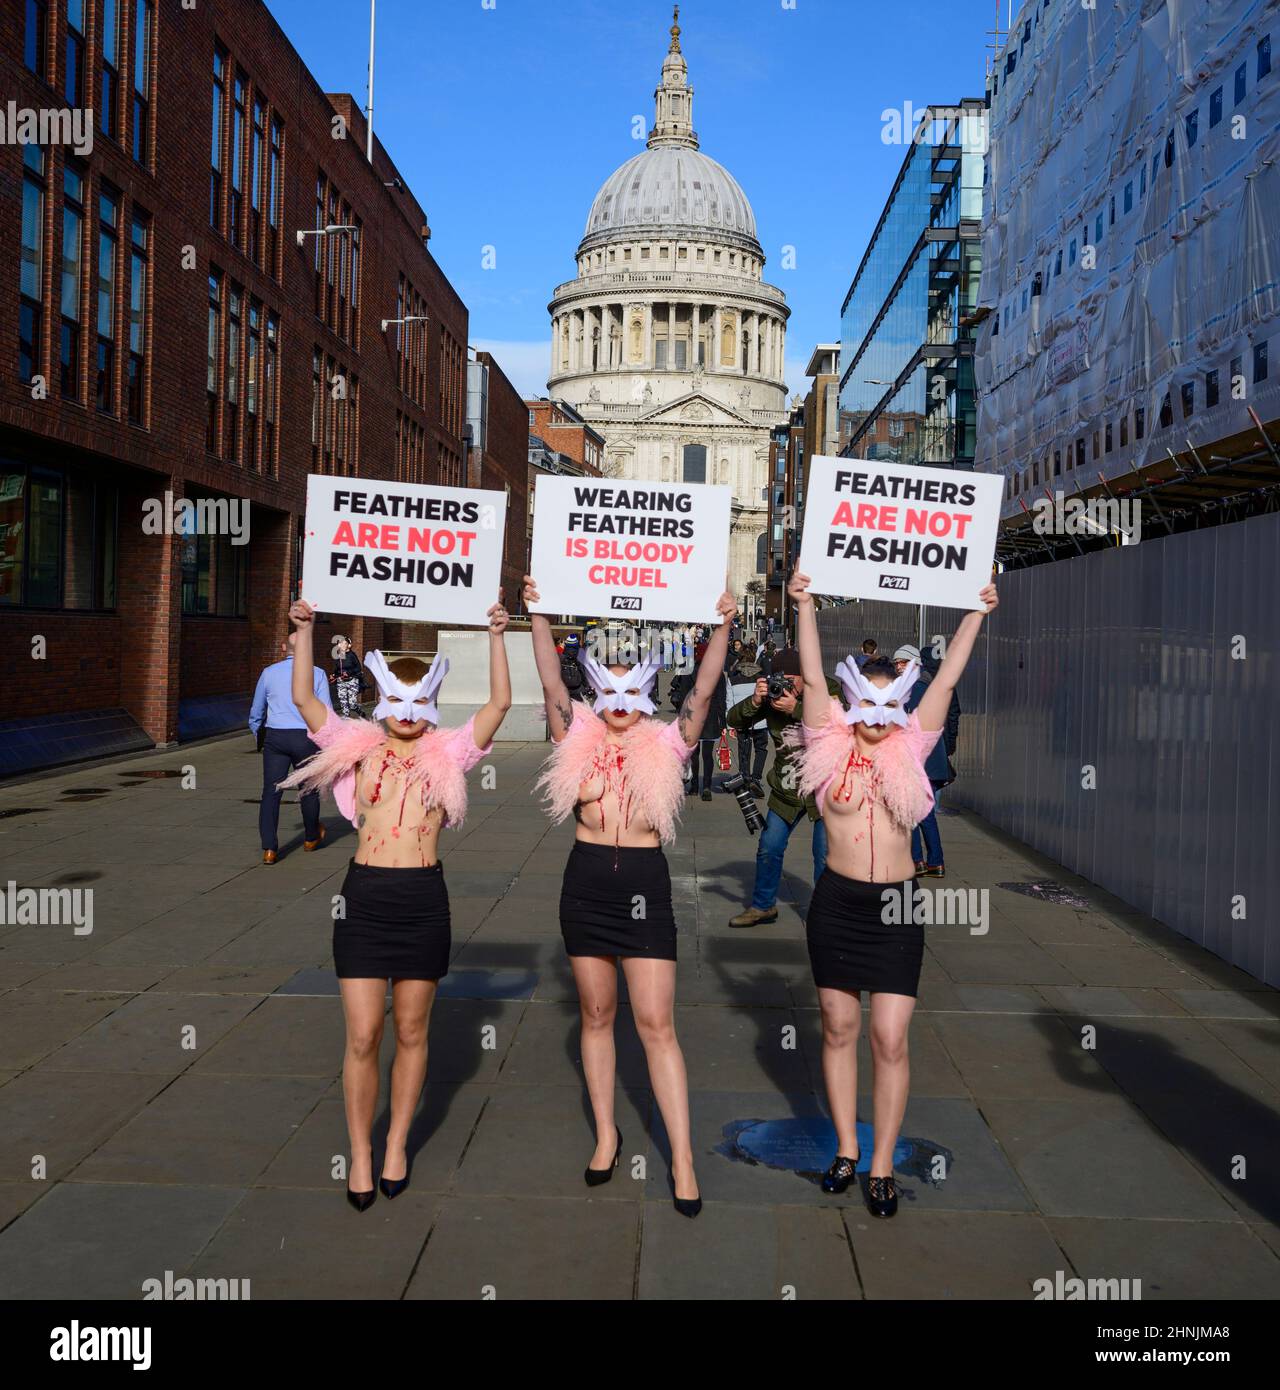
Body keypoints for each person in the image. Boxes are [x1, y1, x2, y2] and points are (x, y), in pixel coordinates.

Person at [278, 593, 511, 1212]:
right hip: (365, 898)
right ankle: (360, 1151)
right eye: (397, 701)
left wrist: (495, 635)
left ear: (430, 704)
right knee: (363, 1033)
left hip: (422, 899)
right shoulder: (359, 748)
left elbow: (499, 706)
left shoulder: (449, 755)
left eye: (419, 702)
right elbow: (306, 702)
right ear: (383, 702)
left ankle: (397, 1145)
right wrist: (303, 631)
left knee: (411, 1029)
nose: (407, 715)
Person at [523, 573, 738, 1219]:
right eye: (607, 684)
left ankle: (681, 1156)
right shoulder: (575, 739)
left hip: (644, 886)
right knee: (595, 1015)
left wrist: (722, 624)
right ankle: (608, 1136)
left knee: (655, 1023)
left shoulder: (668, 744)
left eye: (630, 684)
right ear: (597, 688)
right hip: (586, 883)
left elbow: (702, 692)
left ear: (644, 691)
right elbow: (552, 686)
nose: (618, 699)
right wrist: (538, 613)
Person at [788, 569, 997, 1218]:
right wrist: (804, 604)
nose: (877, 720)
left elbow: (951, 677)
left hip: (899, 908)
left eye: (890, 705)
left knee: (890, 1036)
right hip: (837, 905)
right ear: (853, 704)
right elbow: (815, 677)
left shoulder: (913, 742)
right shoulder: (828, 740)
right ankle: (847, 1150)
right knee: (839, 1026)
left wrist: (974, 614)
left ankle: (883, 1165)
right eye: (866, 705)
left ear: (902, 704)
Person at [726, 648, 840, 928]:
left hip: (824, 786)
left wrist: (797, 709)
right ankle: (763, 906)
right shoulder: (772, 693)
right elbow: (733, 720)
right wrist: (755, 700)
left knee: (824, 855)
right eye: (781, 678)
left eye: (793, 678)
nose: (787, 685)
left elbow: (842, 724)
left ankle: (826, 916)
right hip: (787, 785)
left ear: (806, 676)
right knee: (769, 847)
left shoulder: (829, 689)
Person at [249, 630, 334, 865]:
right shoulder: (317, 674)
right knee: (309, 789)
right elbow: (326, 711)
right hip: (305, 737)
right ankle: (310, 837)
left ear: (283, 648)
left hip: (276, 737)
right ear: (308, 650)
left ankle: (269, 848)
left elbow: (256, 711)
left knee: (270, 792)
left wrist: (259, 733)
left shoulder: (268, 673)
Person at [893, 644, 954, 877]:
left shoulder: (917, 688)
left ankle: (931, 861)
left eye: (903, 662)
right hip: (923, 759)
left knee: (920, 813)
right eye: (897, 662)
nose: (898, 666)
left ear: (914, 664)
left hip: (921, 761)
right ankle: (922, 861)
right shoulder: (921, 685)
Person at [670, 639, 729, 800]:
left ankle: (695, 785)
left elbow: (683, 696)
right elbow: (721, 698)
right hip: (710, 716)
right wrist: (722, 720)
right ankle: (707, 786)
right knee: (707, 754)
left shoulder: (688, 671)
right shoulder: (717, 672)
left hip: (692, 716)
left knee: (694, 753)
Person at [726, 641, 767, 794]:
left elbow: (729, 702)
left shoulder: (733, 678)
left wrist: (730, 725)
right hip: (760, 721)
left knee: (744, 750)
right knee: (761, 749)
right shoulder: (761, 677)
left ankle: (745, 776)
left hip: (741, 720)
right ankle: (756, 778)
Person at [330, 635, 365, 718]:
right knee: (343, 701)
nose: (342, 645)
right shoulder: (337, 655)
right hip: (341, 681)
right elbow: (337, 668)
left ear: (349, 645)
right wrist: (334, 675)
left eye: (344, 643)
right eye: (340, 643)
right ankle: (346, 717)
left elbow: (358, 668)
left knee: (352, 704)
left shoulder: (352, 655)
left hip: (352, 680)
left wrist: (349, 673)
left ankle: (359, 711)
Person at [560, 632, 590, 703]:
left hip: (563, 690)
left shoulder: (560, 658)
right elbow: (583, 674)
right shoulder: (579, 658)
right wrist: (586, 687)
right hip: (577, 690)